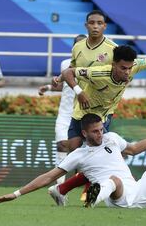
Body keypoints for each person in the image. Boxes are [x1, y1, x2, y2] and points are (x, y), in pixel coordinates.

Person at [0, 113, 146, 210]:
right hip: (116, 197)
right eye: (95, 131)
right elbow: (48, 177)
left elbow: (135, 149)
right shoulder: (78, 155)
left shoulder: (112, 138)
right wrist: (16, 194)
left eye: (101, 129)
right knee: (114, 179)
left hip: (137, 190)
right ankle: (93, 200)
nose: (100, 134)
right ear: (84, 133)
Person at [48, 44, 146, 205]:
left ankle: (130, 194)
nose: (127, 72)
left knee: (106, 158)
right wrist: (77, 90)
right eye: (123, 68)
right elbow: (68, 72)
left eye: (129, 68)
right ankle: (62, 189)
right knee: (81, 156)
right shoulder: (98, 72)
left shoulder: (134, 66)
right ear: (113, 65)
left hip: (102, 118)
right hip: (81, 115)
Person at [38, 34, 87, 185]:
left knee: (77, 151)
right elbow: (65, 84)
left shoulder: (92, 66)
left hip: (82, 114)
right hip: (65, 113)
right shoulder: (65, 63)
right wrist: (48, 87)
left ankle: (80, 186)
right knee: (61, 145)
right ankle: (59, 188)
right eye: (77, 45)